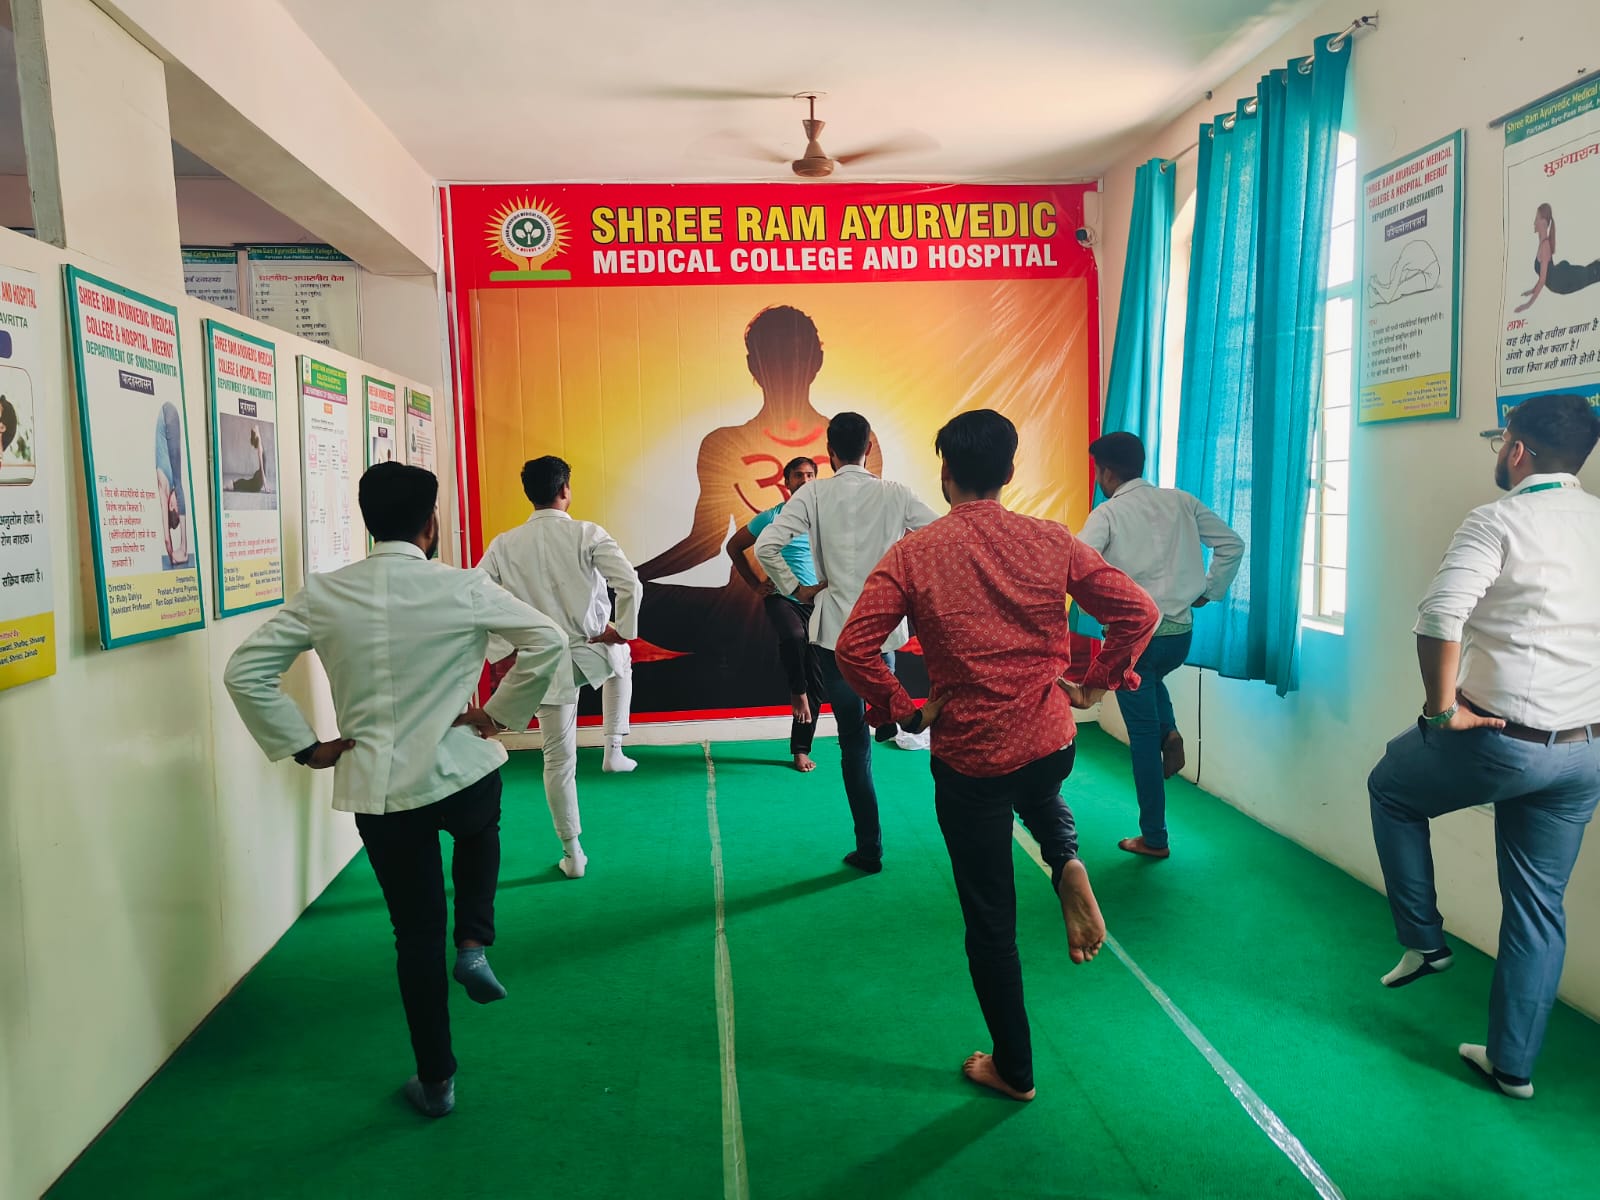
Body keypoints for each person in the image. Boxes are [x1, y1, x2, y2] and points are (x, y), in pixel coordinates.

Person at [224, 462, 568, 1118]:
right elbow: (547, 640)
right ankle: (474, 941)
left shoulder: (326, 594)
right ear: (431, 523)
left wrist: (306, 746)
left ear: (367, 522)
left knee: (414, 936)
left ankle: (436, 1081)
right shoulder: (464, 587)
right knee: (481, 827)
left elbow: (246, 671)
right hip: (460, 767)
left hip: (381, 788)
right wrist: (499, 715)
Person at [836, 409, 1159, 1101]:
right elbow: (1139, 612)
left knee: (990, 922)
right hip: (1051, 743)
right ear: (1009, 472)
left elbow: (853, 648)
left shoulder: (914, 554)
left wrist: (904, 709)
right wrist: (1096, 683)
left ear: (945, 473)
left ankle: (1014, 1069)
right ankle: (1066, 862)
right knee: (1041, 791)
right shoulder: (1051, 540)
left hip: (972, 760)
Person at [1367, 393, 1600, 1100]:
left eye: (1501, 440)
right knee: (1538, 906)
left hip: (1503, 741)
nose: (1500, 452)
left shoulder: (1497, 520)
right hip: (1584, 753)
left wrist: (1440, 713)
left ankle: (1424, 940)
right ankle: (1512, 1067)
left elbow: (1439, 616)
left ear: (1518, 450)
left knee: (1390, 787)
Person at [631, 305, 882, 714]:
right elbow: (708, 542)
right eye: (775, 353)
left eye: (795, 352)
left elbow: (863, 534)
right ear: (754, 363)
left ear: (816, 360)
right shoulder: (723, 443)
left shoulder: (852, 443)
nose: (787, 364)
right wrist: (633, 576)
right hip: (744, 605)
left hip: (826, 596)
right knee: (630, 595)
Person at [755, 411, 939, 872]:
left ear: (830, 452)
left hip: (836, 634)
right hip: (883, 632)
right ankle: (891, 716)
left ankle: (869, 848)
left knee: (853, 744)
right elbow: (941, 536)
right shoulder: (896, 493)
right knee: (880, 704)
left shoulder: (813, 493)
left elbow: (764, 547)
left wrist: (795, 589)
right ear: (868, 448)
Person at [1078, 431, 1243, 859]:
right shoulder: (1182, 501)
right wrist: (1209, 591)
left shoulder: (1108, 513)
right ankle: (1169, 731)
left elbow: (1077, 566)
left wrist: (1104, 609)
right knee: (1152, 680)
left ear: (1106, 472)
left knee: (1142, 739)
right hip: (1179, 637)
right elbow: (1232, 544)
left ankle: (1154, 837)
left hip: (1133, 640)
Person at [479, 455, 643, 880]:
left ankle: (573, 854)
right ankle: (613, 748)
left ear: (529, 494)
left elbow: (477, 597)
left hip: (541, 661)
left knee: (557, 759)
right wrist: (622, 630)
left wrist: (504, 647)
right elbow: (629, 583)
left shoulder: (503, 545)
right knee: (621, 659)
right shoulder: (588, 533)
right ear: (565, 490)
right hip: (591, 650)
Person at [725, 454, 827, 771]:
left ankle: (801, 749)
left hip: (818, 603)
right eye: (798, 475)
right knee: (793, 636)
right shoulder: (771, 517)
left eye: (810, 475)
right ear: (787, 482)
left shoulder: (826, 517)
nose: (805, 480)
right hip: (782, 597)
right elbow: (734, 546)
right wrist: (755, 584)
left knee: (817, 683)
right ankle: (797, 692)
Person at [1516, 203, 1600, 313]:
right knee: (1592, 271)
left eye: (1536, 219)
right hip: (1560, 279)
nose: (1534, 222)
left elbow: (1542, 281)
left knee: (1593, 272)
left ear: (1543, 222)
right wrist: (1532, 291)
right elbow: (1543, 276)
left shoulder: (1545, 246)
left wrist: (1527, 305)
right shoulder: (1542, 243)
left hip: (1562, 281)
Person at [154, 401, 190, 568]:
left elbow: (166, 539)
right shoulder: (169, 487)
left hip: (167, 415)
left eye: (175, 507)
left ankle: (184, 547)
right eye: (177, 506)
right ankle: (184, 547)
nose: (176, 503)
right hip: (168, 415)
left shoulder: (163, 492)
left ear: (170, 508)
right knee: (179, 483)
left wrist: (172, 558)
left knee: (179, 483)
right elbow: (167, 540)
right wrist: (173, 557)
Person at [230, 426, 268, 493]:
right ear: (256, 436)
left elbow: (258, 431)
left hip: (259, 480)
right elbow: (262, 469)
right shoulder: (260, 449)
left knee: (245, 483)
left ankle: (233, 485)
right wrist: (265, 485)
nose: (257, 429)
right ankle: (232, 485)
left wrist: (265, 485)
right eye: (257, 431)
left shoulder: (260, 444)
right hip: (259, 479)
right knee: (243, 483)